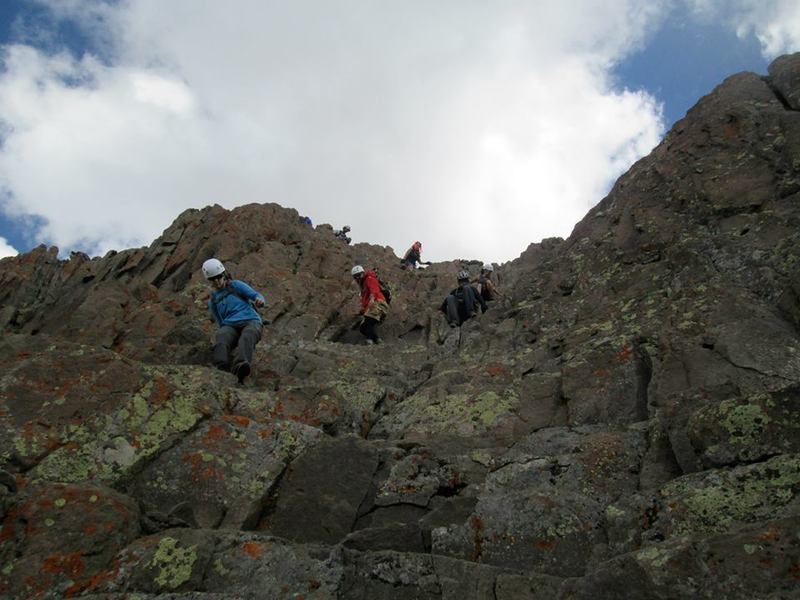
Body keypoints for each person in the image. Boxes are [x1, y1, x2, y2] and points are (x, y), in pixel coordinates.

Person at [202, 258, 265, 384]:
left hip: (251, 320)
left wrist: (259, 300)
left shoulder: (236, 285)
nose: (217, 281)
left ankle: (240, 365)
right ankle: (221, 367)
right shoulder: (213, 301)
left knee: (248, 335)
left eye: (218, 277)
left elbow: (255, 295)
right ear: (209, 281)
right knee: (222, 335)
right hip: (230, 325)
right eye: (212, 279)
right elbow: (220, 322)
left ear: (224, 275)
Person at [351, 264, 389, 344]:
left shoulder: (369, 278)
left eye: (358, 275)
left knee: (368, 322)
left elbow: (374, 290)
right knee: (363, 328)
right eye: (355, 276)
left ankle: (369, 340)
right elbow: (365, 301)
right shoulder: (363, 286)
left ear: (362, 273)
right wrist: (362, 311)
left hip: (377, 303)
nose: (357, 278)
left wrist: (372, 299)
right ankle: (377, 339)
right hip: (373, 305)